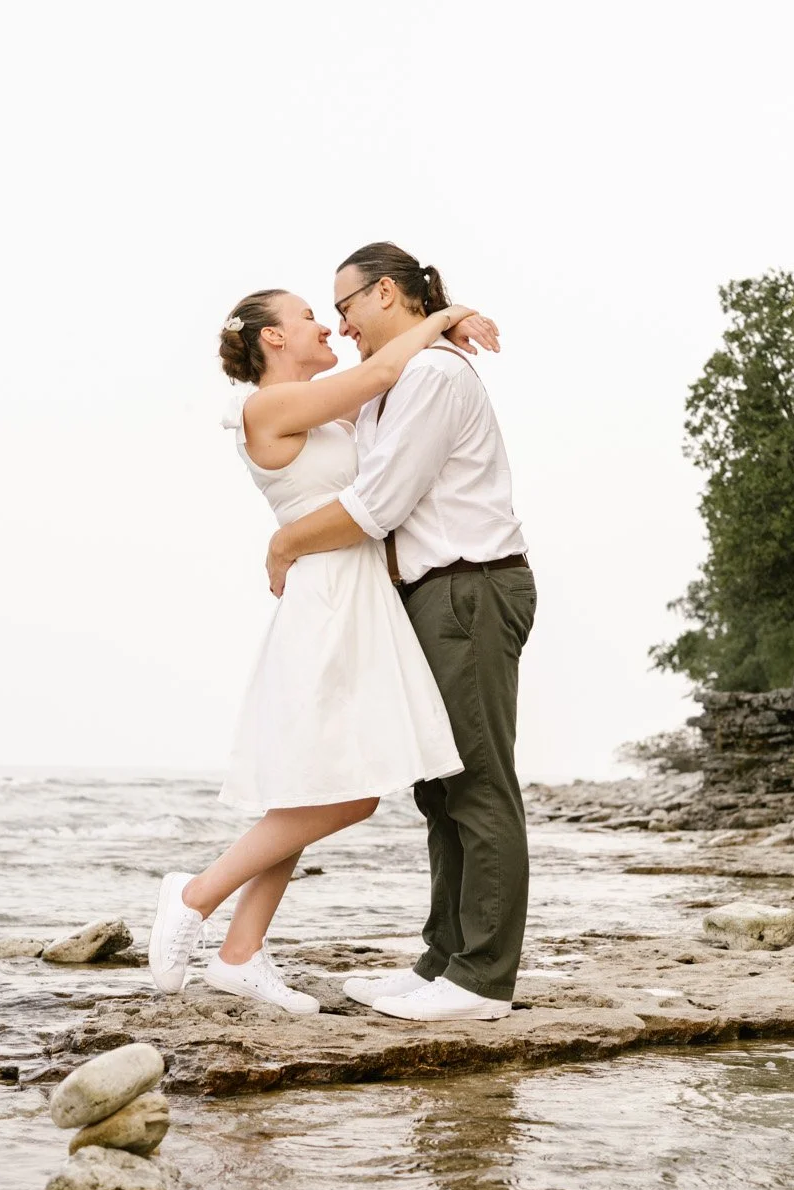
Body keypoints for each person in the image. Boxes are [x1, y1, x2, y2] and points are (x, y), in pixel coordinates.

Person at [147, 286, 501, 1013]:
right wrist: (441, 314)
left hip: (355, 594)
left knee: (312, 782)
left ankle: (241, 951)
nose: (324, 324)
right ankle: (195, 892)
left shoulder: (320, 405)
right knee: (348, 792)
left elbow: (393, 389)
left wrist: (439, 319)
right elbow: (376, 377)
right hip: (328, 602)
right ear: (272, 338)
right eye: (308, 315)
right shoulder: (266, 406)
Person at [263, 243, 534, 1023]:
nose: (341, 325)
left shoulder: (435, 378)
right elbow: (328, 411)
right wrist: (446, 313)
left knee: (477, 780)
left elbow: (377, 504)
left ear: (385, 293)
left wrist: (285, 543)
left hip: (469, 588)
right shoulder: (399, 380)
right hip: (430, 595)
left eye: (344, 306)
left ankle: (482, 977)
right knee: (438, 784)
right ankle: (442, 959)